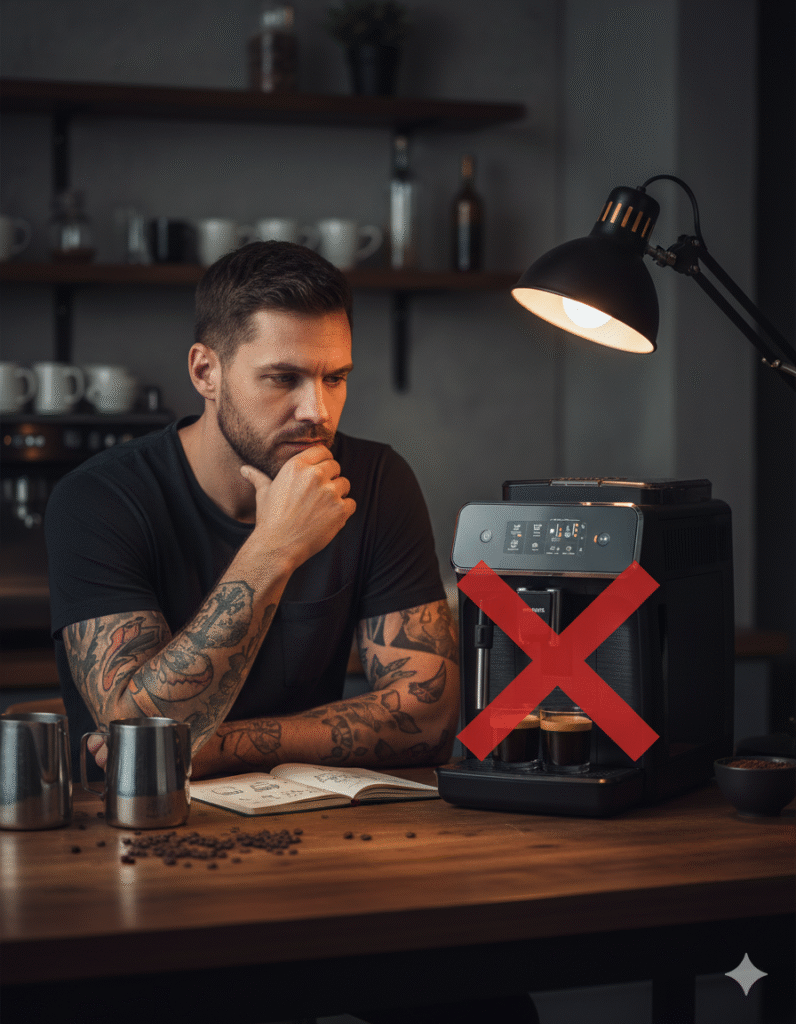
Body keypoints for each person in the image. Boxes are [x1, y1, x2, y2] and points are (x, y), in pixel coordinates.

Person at [46, 240, 459, 780]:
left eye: (335, 378)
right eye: (283, 378)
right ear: (205, 372)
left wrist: (219, 745)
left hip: (318, 831)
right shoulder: (98, 499)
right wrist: (274, 548)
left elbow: (428, 717)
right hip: (133, 835)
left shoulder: (377, 481)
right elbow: (136, 743)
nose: (317, 411)